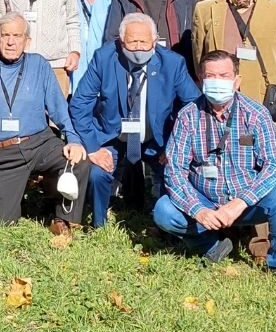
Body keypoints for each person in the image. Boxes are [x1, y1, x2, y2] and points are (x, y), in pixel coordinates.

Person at [152, 50, 276, 279]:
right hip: (205, 199)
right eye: (210, 76)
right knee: (164, 210)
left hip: (248, 201)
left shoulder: (256, 114)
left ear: (236, 80)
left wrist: (241, 202)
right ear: (201, 81)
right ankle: (212, 246)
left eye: (224, 75)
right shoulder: (188, 116)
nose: (217, 82)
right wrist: (198, 210)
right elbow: (174, 171)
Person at [0, 12, 89, 231]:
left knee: (78, 160)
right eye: (5, 35)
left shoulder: (39, 65)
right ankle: (11, 200)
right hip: (1, 152)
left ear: (27, 40)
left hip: (39, 142)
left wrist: (73, 138)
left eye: (17, 35)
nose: (11, 41)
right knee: (1, 223)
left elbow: (59, 108)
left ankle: (62, 218)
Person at [69, 13, 197, 228]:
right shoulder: (104, 58)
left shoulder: (173, 63)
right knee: (97, 174)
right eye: (132, 41)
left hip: (158, 139)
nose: (138, 48)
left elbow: (193, 106)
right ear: (120, 41)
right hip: (113, 137)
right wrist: (92, 147)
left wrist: (177, 146)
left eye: (144, 42)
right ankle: (99, 224)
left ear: (154, 41)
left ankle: (165, 224)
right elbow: (80, 103)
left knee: (175, 173)